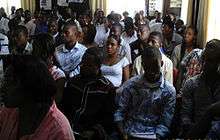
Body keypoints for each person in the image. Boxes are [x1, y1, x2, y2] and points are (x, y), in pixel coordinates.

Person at [0, 56, 74, 140]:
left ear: (29, 86)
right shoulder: (10, 111)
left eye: (9, 82)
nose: (3, 88)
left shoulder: (59, 130)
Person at [115, 46, 176, 139]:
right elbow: (120, 112)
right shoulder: (131, 85)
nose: (151, 72)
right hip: (129, 132)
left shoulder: (169, 91)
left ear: (162, 64)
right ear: (143, 65)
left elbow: (165, 123)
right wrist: (123, 133)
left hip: (154, 135)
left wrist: (157, 136)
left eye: (155, 67)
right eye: (148, 67)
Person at [61, 47, 116, 139]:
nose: (83, 67)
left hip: (90, 132)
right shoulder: (73, 82)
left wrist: (94, 131)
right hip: (68, 127)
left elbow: (108, 118)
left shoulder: (106, 88)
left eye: (88, 65)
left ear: (97, 67)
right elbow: (64, 106)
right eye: (82, 63)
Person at [180, 39, 220, 137]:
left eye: (210, 61)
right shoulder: (191, 84)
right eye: (204, 59)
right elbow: (186, 116)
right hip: (196, 131)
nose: (205, 64)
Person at [32, 33, 66, 104]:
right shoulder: (33, 68)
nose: (33, 52)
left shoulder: (58, 75)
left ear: (44, 52)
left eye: (36, 49)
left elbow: (56, 100)